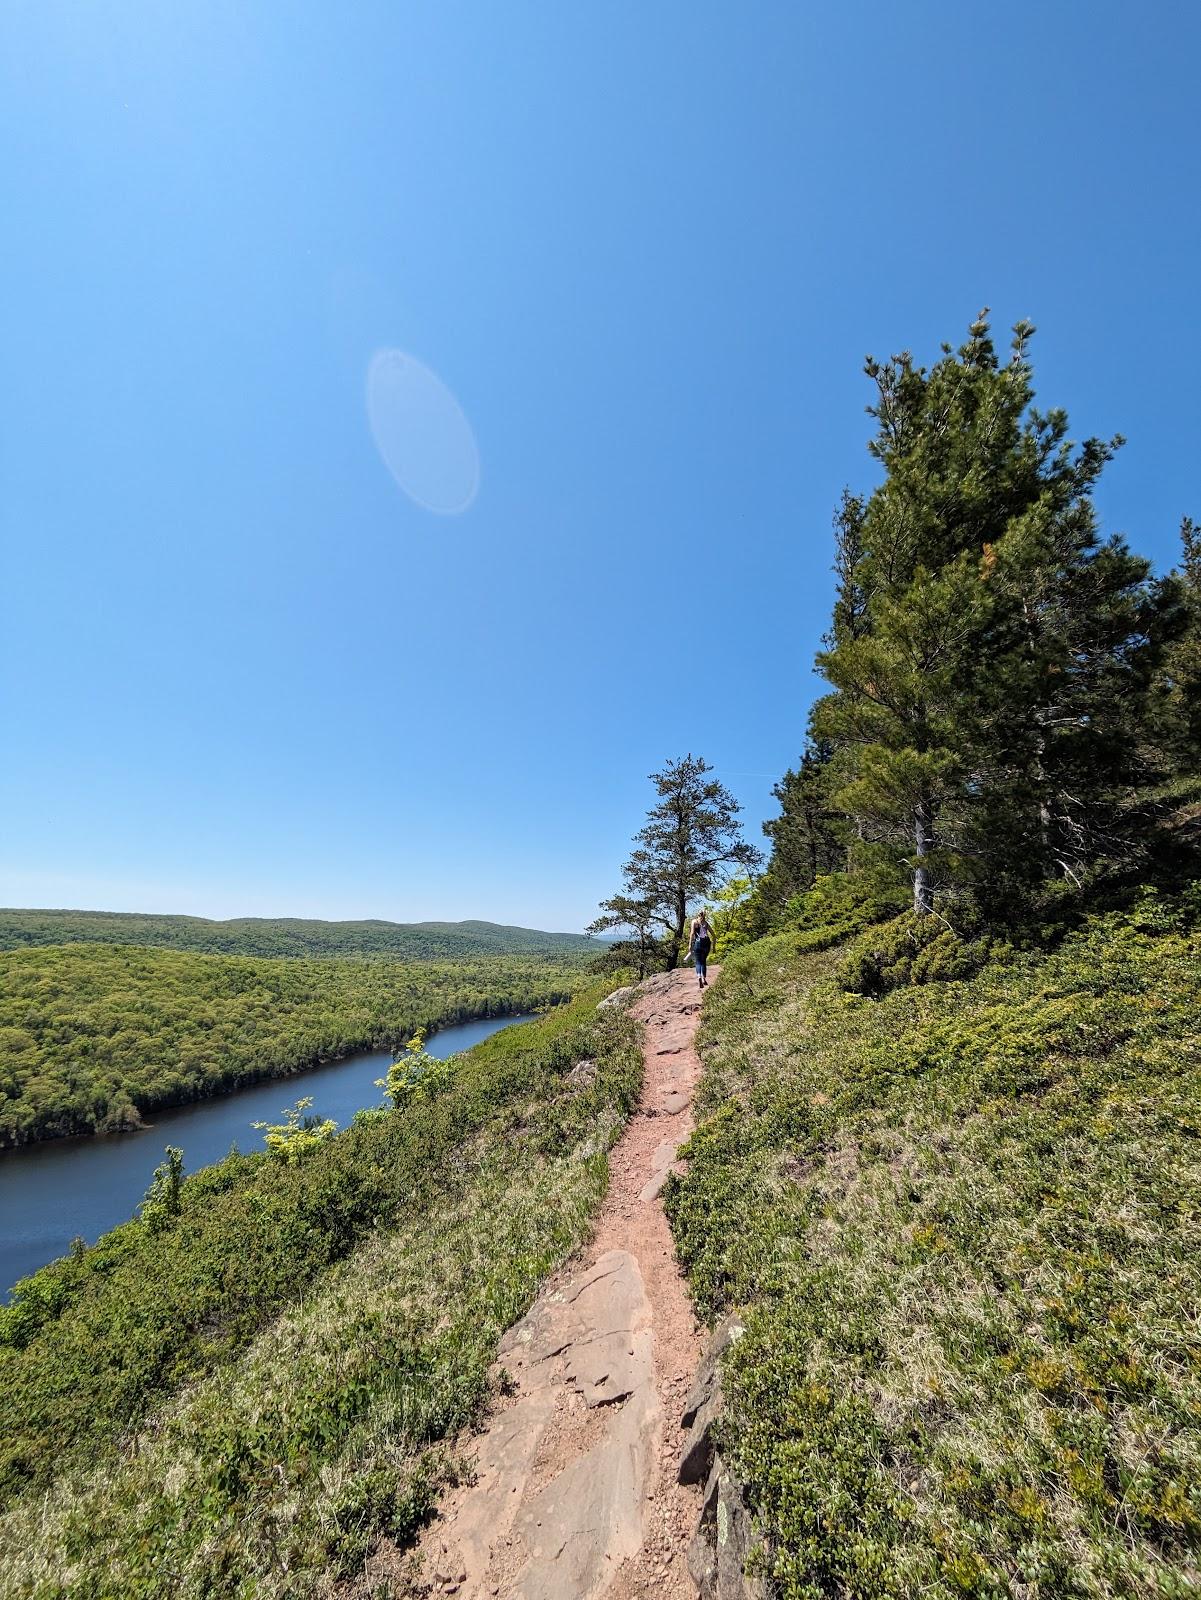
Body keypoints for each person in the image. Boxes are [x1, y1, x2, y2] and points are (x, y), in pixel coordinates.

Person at [689, 910, 714, 989]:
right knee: (703, 961)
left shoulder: (694, 922)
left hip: (698, 943)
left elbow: (692, 933)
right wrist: (714, 946)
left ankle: (699, 976)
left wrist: (690, 944)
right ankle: (704, 979)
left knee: (698, 961)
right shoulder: (706, 923)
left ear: (698, 914)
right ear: (704, 915)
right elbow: (713, 934)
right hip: (706, 943)